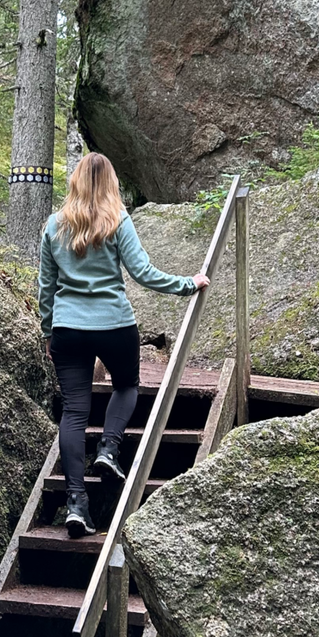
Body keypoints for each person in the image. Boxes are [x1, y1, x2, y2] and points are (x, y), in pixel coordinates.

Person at [39, 152, 210, 538]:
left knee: (74, 413)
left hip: (68, 329)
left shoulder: (53, 226)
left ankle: (77, 504)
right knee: (127, 386)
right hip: (114, 324)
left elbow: (46, 288)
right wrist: (188, 283)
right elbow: (143, 273)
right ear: (111, 182)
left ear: (76, 181)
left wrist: (49, 331)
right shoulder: (118, 221)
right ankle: (108, 449)